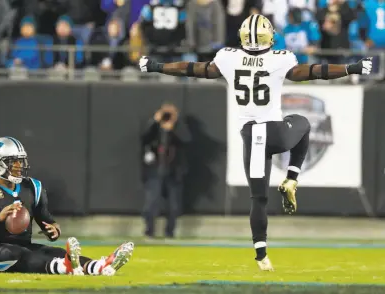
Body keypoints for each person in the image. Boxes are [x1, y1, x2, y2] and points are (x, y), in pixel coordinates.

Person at [139, 14, 373, 271]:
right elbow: (315, 71)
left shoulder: (229, 57)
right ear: (268, 36)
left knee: (258, 199)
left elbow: (192, 69)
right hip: (275, 132)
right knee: (303, 123)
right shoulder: (280, 58)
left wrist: (157, 66)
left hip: (251, 137)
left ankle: (261, 254)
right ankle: (292, 177)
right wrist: (351, 68)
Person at [0, 137, 134, 275]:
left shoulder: (32, 187)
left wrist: (54, 230)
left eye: (20, 160)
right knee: (14, 253)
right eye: (13, 161)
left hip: (25, 247)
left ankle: (98, 266)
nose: (19, 166)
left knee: (52, 251)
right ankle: (65, 267)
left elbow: (48, 221)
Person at [141, 103, 189, 239]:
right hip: (155, 171)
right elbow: (144, 138)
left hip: (173, 172)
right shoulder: (154, 130)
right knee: (152, 203)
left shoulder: (178, 129)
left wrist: (174, 125)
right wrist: (155, 121)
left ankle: (170, 232)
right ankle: (149, 231)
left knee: (173, 205)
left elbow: (186, 140)